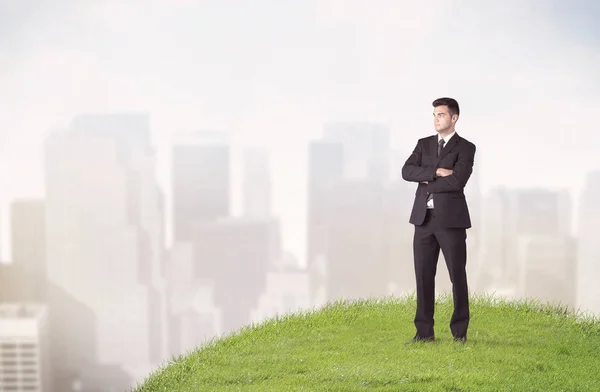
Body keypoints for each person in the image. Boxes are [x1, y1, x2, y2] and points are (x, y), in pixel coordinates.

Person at [401, 97, 476, 343]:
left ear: (453, 118)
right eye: (434, 114)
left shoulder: (466, 147)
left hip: (450, 221)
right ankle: (424, 333)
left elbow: (458, 181)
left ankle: (459, 332)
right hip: (423, 219)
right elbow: (406, 171)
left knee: (457, 275)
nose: (436, 119)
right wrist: (435, 172)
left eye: (441, 115)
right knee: (423, 276)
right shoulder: (423, 144)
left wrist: (425, 179)